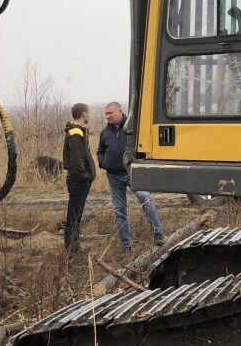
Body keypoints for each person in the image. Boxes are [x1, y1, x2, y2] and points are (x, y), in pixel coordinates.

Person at [96, 102, 164, 253]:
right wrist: (103, 163)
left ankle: (158, 233)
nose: (108, 116)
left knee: (144, 197)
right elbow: (100, 151)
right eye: (106, 114)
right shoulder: (104, 133)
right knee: (119, 209)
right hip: (113, 176)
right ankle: (127, 246)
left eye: (110, 113)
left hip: (132, 172)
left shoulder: (133, 128)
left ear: (120, 111)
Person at [62, 103, 96, 253]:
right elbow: (77, 161)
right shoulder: (76, 132)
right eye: (88, 113)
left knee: (76, 214)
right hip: (78, 180)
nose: (89, 115)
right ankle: (72, 249)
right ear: (84, 114)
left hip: (79, 179)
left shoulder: (79, 131)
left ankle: (74, 247)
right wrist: (86, 176)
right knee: (74, 215)